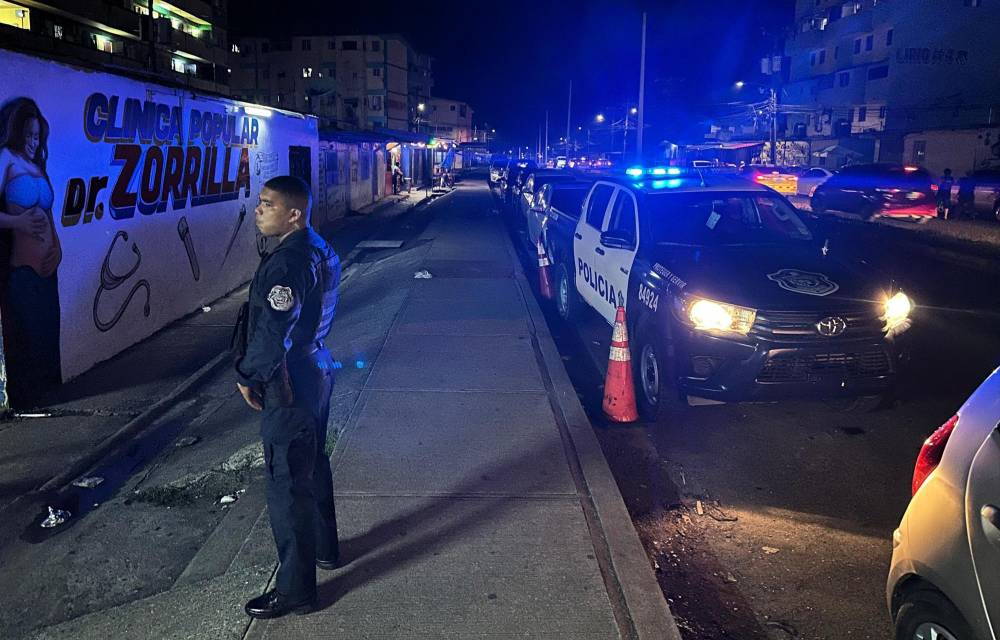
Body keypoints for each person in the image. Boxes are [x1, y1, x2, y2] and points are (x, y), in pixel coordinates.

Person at [235, 175, 341, 619]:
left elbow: (273, 330)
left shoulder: (289, 262)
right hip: (317, 368)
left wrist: (248, 375)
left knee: (286, 484)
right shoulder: (318, 246)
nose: (258, 210)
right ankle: (326, 551)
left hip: (291, 380)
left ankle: (297, 590)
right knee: (313, 464)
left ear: (293, 213)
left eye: (267, 204)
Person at [0, 97, 62, 407]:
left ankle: (48, 395)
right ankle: (25, 401)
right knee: (25, 339)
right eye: (28, 136)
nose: (33, 143)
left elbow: (48, 215)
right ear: (16, 132)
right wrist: (18, 222)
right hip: (22, 270)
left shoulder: (37, 165)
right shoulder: (5, 159)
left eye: (38, 137)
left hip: (48, 271)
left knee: (47, 340)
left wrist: (58, 248)